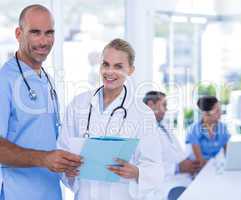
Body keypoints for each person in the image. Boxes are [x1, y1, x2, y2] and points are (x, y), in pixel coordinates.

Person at [57, 38, 163, 200]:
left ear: (131, 70)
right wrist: (68, 170)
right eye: (105, 64)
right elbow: (63, 150)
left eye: (118, 66)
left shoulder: (142, 113)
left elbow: (155, 167)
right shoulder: (78, 104)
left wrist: (136, 172)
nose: (109, 72)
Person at [0, 4, 82, 200]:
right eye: (35, 32)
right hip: (18, 194)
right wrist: (44, 159)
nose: (44, 41)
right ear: (19, 33)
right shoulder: (5, 80)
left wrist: (68, 161)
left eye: (49, 33)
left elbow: (49, 138)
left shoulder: (47, 80)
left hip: (51, 192)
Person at [143, 91, 202, 199]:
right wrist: (177, 168)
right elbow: (145, 168)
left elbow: (178, 152)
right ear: (151, 105)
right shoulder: (142, 131)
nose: (166, 109)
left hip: (184, 178)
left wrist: (191, 164)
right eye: (164, 105)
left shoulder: (163, 126)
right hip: (166, 185)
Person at [186, 96, 230, 168]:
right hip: (198, 170)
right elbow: (200, 161)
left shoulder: (223, 128)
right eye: (217, 111)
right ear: (207, 113)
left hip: (214, 168)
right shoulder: (194, 130)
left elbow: (229, 155)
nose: (221, 113)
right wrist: (218, 164)